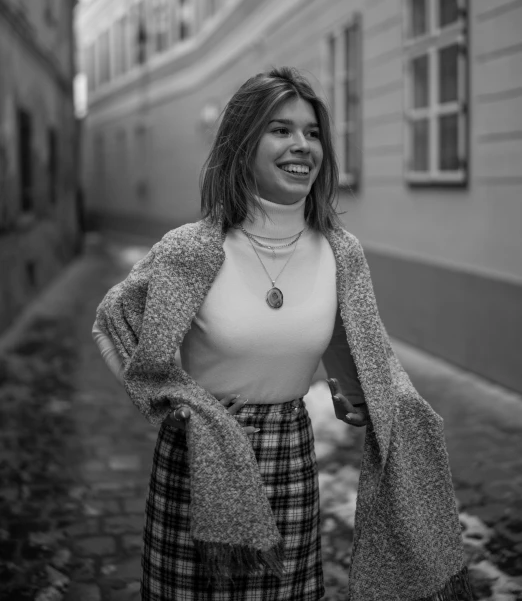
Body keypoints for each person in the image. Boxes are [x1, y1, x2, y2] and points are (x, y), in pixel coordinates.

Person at [92, 67, 473, 601]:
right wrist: (173, 404)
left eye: (312, 132)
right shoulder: (191, 250)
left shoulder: (341, 254)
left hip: (290, 457)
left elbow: (361, 348)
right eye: (281, 130)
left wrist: (363, 395)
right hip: (199, 467)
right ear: (242, 142)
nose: (302, 145)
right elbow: (114, 323)